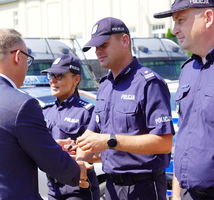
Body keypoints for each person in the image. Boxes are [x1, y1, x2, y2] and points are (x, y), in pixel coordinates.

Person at [0, 28, 91, 200]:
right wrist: (80, 171)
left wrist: (51, 144)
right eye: (28, 59)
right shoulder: (21, 104)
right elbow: (52, 161)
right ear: (18, 57)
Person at [75, 17, 175, 200]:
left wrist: (110, 140)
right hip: (112, 186)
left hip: (143, 186)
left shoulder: (149, 83)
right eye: (96, 47)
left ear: (125, 40)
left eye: (104, 44)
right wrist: (80, 163)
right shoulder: (105, 85)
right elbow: (90, 136)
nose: (98, 51)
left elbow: (164, 143)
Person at [154, 1, 214, 199]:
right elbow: (185, 137)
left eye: (181, 21)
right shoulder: (188, 70)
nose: (174, 29)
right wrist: (177, 195)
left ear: (208, 18)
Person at [41, 54, 100, 200]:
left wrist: (80, 158)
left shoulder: (87, 112)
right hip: (53, 187)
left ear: (76, 79)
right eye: (51, 75)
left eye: (59, 76)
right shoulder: (45, 111)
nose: (53, 81)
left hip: (79, 188)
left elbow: (105, 151)